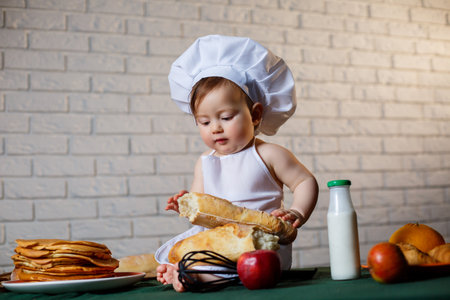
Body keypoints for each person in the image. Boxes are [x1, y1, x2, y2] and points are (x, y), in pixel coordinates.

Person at [155, 35, 318, 292]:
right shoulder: (204, 162)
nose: (216, 128)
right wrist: (186, 205)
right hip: (222, 242)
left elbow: (304, 181)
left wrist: (297, 212)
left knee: (230, 266)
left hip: (263, 246)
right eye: (205, 122)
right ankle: (188, 271)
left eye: (226, 117)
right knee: (190, 254)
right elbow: (202, 209)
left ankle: (190, 275)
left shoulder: (269, 154)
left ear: (255, 115)